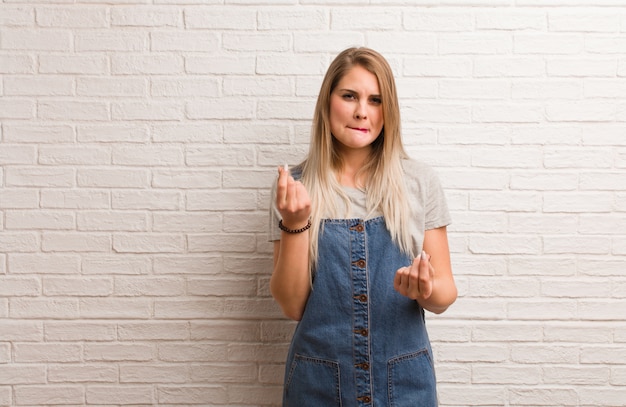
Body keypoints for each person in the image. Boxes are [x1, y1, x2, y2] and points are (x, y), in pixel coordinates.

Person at [268, 47, 457, 406]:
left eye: (375, 100)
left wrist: (425, 289)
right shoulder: (294, 188)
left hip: (404, 384)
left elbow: (445, 294)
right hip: (318, 385)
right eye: (349, 96)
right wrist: (295, 222)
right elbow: (292, 306)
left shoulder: (419, 182)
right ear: (328, 102)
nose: (361, 111)